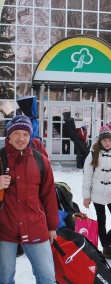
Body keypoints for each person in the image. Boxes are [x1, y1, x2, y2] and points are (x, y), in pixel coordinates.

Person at [0, 115, 58, 284]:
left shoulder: (41, 161)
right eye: (16, 133)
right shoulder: (0, 158)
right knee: (5, 278)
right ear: (9, 136)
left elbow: (49, 196)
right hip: (5, 228)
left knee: (47, 278)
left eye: (25, 134)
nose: (21, 138)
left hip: (35, 227)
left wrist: (52, 226)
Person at [82, 123, 111, 259]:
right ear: (100, 141)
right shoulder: (92, 155)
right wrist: (86, 196)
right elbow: (87, 177)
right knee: (101, 221)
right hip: (97, 195)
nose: (107, 143)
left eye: (109, 140)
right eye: (104, 140)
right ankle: (106, 247)